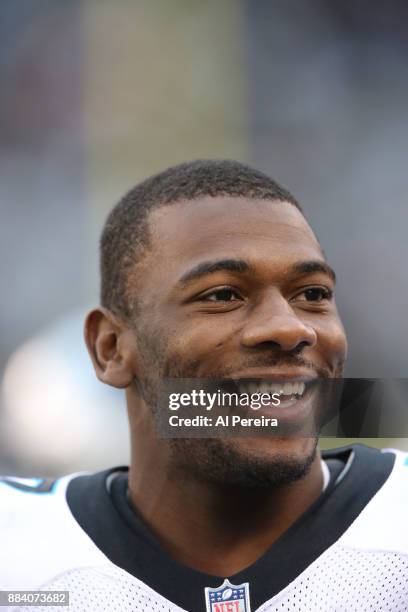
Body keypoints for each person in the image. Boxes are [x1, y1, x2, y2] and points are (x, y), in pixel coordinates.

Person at [1, 160, 407, 612]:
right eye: (221, 295)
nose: (290, 328)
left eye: (312, 294)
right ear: (110, 348)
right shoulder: (16, 559)